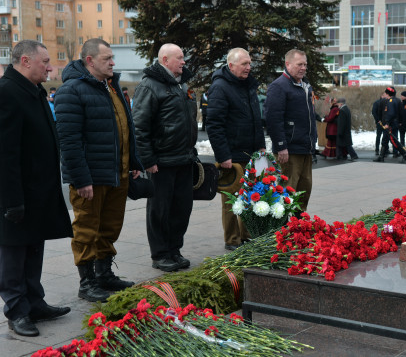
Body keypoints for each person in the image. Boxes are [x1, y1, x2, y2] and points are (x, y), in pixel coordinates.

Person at [55, 38, 144, 302]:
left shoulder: (112, 87)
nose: (113, 63)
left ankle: (104, 274)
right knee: (86, 229)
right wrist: (81, 179)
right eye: (107, 59)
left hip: (117, 174)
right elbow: (69, 141)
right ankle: (87, 282)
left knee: (109, 227)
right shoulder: (72, 90)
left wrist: (134, 163)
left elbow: (126, 128)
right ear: (90, 61)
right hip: (90, 178)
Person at [0, 40, 73, 337]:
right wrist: (12, 200)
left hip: (38, 191)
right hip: (17, 194)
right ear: (26, 61)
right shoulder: (7, 92)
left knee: (33, 248)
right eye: (45, 62)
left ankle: (34, 302)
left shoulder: (33, 91)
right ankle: (17, 310)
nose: (50, 67)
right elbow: (5, 153)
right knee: (13, 254)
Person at [132, 43, 196, 270]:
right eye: (179, 58)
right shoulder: (149, 86)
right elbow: (139, 127)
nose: (184, 61)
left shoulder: (182, 84)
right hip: (161, 162)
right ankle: (160, 254)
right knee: (160, 210)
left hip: (183, 159)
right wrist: (147, 160)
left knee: (181, 209)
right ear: (165, 60)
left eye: (183, 57)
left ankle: (174, 250)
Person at [207, 47, 266, 251]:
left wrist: (261, 148)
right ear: (231, 65)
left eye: (250, 63)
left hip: (251, 153)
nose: (249, 67)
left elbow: (255, 120)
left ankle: (246, 235)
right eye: (244, 64)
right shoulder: (220, 87)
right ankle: (232, 239)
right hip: (232, 156)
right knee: (232, 200)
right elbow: (214, 124)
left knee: (251, 197)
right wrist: (223, 155)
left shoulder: (248, 85)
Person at [265, 49, 317, 211]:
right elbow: (273, 119)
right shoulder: (279, 86)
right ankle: (281, 232)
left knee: (303, 193)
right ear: (287, 64)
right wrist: (281, 146)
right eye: (299, 64)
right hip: (289, 152)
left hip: (305, 149)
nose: (303, 68)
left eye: (305, 65)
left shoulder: (305, 85)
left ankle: (298, 228)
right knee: (286, 194)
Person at [373, 87, 406, 163]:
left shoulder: (390, 101)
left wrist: (387, 123)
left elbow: (390, 114)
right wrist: (400, 122)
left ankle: (404, 154)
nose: (385, 95)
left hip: (390, 125)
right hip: (394, 124)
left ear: (387, 94)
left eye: (385, 94)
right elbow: (401, 113)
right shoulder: (397, 101)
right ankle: (381, 156)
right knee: (385, 140)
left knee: (393, 141)